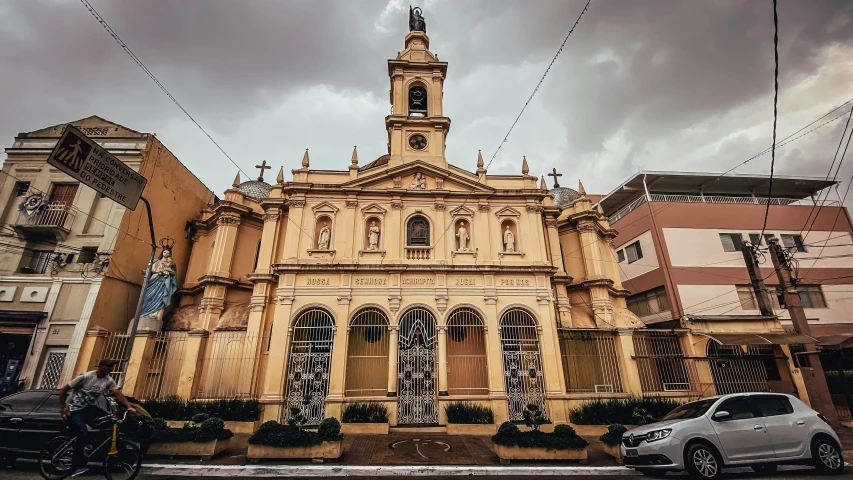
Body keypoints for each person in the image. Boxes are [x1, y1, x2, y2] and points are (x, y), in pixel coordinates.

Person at [59, 359, 136, 477]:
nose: (110, 369)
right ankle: (76, 466)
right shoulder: (85, 377)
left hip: (89, 408)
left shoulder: (108, 381)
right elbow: (64, 389)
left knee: (110, 421)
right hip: (74, 410)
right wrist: (63, 408)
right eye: (108, 366)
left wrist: (129, 407)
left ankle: (92, 445)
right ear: (100, 366)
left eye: (111, 367)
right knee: (82, 434)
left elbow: (118, 394)